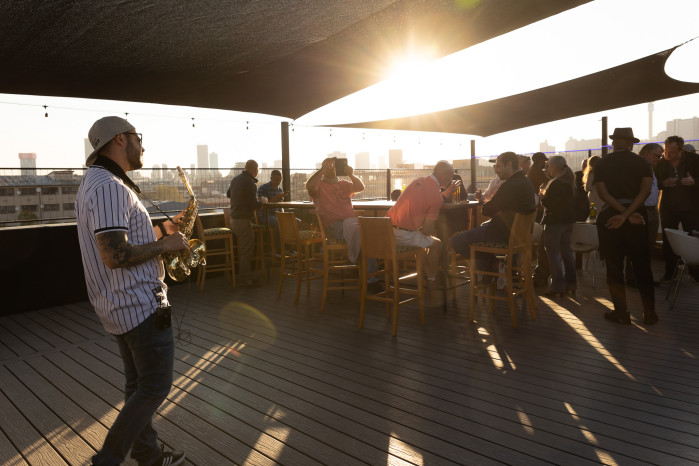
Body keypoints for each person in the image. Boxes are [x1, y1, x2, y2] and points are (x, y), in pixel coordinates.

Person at [75, 116, 187, 466]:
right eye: (138, 137)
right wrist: (166, 245)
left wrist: (163, 231)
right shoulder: (110, 186)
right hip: (138, 305)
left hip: (118, 305)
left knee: (137, 386)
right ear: (120, 139)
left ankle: (148, 456)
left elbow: (121, 240)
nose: (142, 145)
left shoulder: (95, 181)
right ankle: (107, 460)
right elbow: (115, 254)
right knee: (154, 386)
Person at [594, 127, 657, 325]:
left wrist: (621, 215)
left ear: (614, 143)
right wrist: (629, 214)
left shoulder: (602, 163)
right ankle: (649, 313)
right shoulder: (642, 162)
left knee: (614, 267)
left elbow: (603, 194)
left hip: (611, 217)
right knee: (642, 266)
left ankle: (621, 312)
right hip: (637, 216)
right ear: (630, 144)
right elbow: (646, 191)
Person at [450, 151, 536, 281]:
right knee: (475, 241)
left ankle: (491, 267)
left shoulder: (510, 185)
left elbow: (486, 210)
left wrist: (497, 209)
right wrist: (498, 209)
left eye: (499, 166)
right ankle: (493, 267)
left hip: (500, 234)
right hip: (518, 236)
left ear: (509, 165)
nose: (496, 170)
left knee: (456, 241)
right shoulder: (526, 182)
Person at [306, 157, 380, 291]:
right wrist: (322, 170)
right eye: (328, 165)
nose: (331, 167)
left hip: (350, 223)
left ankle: (365, 272)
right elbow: (310, 186)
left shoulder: (343, 183)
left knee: (369, 231)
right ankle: (370, 278)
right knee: (363, 234)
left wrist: (351, 174)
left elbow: (360, 187)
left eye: (333, 165)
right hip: (333, 225)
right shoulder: (319, 185)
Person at [387, 161, 459, 282]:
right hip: (403, 235)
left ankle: (428, 275)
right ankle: (431, 279)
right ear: (442, 175)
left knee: (421, 241)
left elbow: (428, 197)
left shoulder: (418, 181)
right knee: (437, 244)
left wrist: (443, 195)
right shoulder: (436, 196)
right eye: (450, 175)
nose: (451, 179)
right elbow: (426, 230)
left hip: (387, 231)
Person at [655, 135, 699, 283]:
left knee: (693, 239)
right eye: (666, 151)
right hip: (669, 207)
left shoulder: (694, 160)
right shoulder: (661, 163)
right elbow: (654, 182)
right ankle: (670, 273)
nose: (668, 154)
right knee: (668, 240)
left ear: (681, 150)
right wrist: (663, 183)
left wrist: (694, 182)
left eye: (672, 151)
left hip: (691, 208)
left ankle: (695, 273)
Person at [625, 143, 663, 287]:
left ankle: (644, 277)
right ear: (647, 153)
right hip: (641, 210)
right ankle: (634, 278)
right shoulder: (636, 166)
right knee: (637, 246)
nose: (659, 159)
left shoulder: (651, 168)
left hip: (652, 210)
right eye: (657, 155)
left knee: (648, 247)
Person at [539, 155, 577, 298]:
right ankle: (571, 284)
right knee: (567, 252)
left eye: (548, 166)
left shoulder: (555, 183)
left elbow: (550, 204)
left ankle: (557, 286)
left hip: (554, 222)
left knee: (553, 253)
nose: (547, 169)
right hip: (568, 221)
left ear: (554, 167)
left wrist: (542, 198)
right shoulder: (569, 182)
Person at [228, 159, 267, 287]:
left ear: (245, 167)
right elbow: (252, 204)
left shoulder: (235, 180)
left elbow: (229, 194)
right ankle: (245, 280)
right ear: (255, 169)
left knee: (243, 250)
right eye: (257, 169)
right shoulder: (250, 182)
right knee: (246, 251)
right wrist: (262, 201)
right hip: (243, 220)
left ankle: (245, 277)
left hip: (233, 219)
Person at [256, 169, 287, 252]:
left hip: (275, 215)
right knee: (278, 222)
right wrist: (277, 198)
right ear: (271, 178)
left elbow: (280, 206)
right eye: (276, 180)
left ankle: (289, 247)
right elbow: (263, 206)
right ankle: (278, 249)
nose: (278, 182)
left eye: (280, 180)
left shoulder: (279, 190)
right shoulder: (263, 188)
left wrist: (283, 212)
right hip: (264, 216)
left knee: (292, 221)